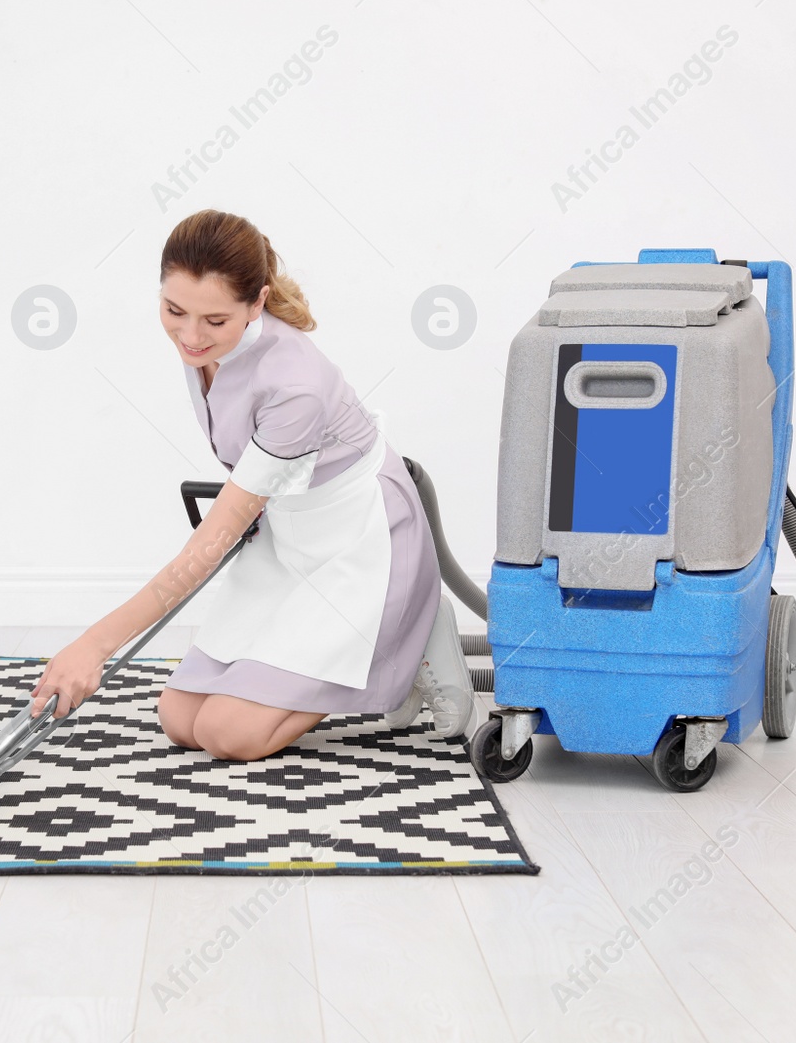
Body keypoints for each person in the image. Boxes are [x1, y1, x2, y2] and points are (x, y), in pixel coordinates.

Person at [29, 209, 476, 761]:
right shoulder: (207, 344)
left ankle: (412, 619)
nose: (190, 336)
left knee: (230, 734)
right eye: (174, 310)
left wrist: (92, 647)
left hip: (362, 543)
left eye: (214, 321)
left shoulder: (296, 387)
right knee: (181, 719)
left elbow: (211, 541)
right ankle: (395, 631)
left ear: (257, 303)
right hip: (290, 533)